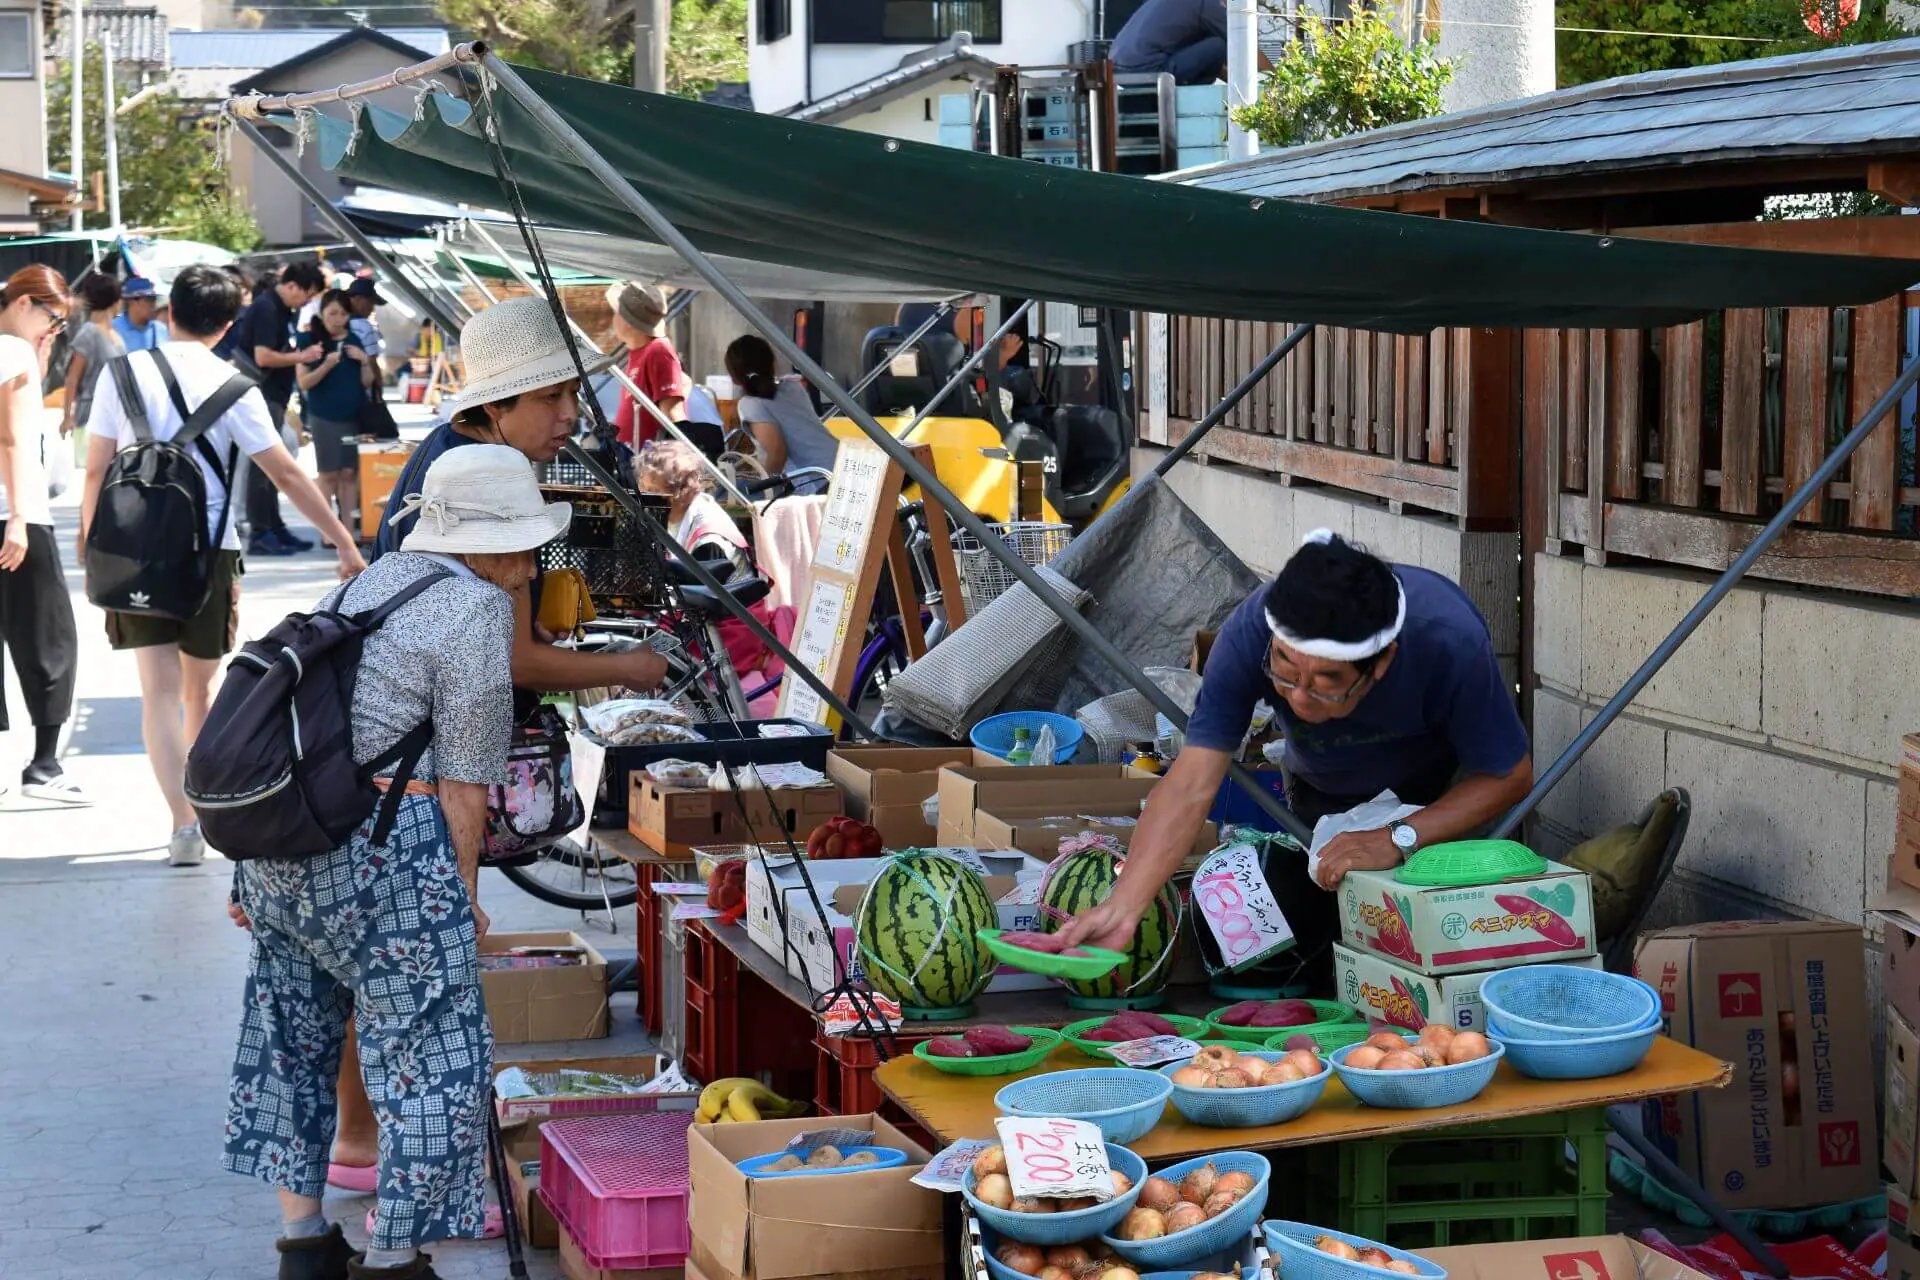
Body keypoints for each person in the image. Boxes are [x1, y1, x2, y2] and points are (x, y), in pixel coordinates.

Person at [223, 444, 560, 1280]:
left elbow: (302, 724)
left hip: (282, 849)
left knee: (293, 1040)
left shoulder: (366, 582)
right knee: (432, 1054)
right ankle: (394, 1256)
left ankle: (303, 1241)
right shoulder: (474, 609)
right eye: (523, 547)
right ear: (486, 542)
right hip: (384, 850)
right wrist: (463, 894)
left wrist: (245, 872)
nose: (529, 568)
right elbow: (467, 780)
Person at [1056, 530, 1533, 986]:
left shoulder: (1446, 640)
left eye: (1327, 683)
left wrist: (1400, 835)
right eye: (1285, 672)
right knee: (1322, 941)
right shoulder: (1248, 635)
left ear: (1383, 662)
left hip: (1436, 798)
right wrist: (1123, 906)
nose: (1300, 698)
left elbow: (1509, 775)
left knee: (1427, 950)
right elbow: (1189, 785)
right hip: (1321, 790)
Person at [78, 265, 365, 867]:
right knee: (199, 691)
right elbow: (285, 472)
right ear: (229, 322)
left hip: (131, 552)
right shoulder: (233, 386)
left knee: (156, 692)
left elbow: (96, 468)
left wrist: (89, 542)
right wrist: (343, 541)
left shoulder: (120, 373)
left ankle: (181, 827)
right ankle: (207, 812)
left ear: (169, 312)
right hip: (208, 552)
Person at [0, 266, 88, 803]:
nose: (54, 331)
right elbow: (12, 439)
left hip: (14, 509)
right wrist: (20, 514)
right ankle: (44, 763)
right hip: (18, 512)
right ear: (25, 304)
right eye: (53, 319)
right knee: (50, 638)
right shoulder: (12, 351)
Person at [635, 438, 790, 702]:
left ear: (678, 491)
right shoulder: (685, 513)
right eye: (643, 488)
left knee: (645, 654)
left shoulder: (708, 535)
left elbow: (700, 595)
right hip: (711, 624)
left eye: (652, 491)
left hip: (730, 635)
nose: (644, 497)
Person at [230, 261, 328, 556]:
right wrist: (302, 356)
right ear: (292, 286)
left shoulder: (282, 309)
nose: (307, 301)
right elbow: (263, 357)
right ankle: (261, 532)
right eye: (307, 294)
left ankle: (274, 526)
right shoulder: (267, 308)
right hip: (262, 393)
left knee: (274, 463)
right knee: (264, 464)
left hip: (275, 395)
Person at [297, 288, 375, 545]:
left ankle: (348, 530)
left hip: (352, 416)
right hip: (323, 415)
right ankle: (327, 532)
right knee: (328, 474)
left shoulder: (354, 340)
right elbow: (304, 383)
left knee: (349, 473)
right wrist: (327, 364)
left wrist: (364, 361)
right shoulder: (309, 340)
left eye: (342, 313)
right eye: (332, 313)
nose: (337, 319)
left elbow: (367, 382)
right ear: (322, 313)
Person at [725, 334, 837, 493]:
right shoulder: (793, 387)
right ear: (772, 364)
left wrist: (762, 491)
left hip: (819, 478)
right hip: (841, 461)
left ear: (734, 377)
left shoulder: (751, 405)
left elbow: (777, 453)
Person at [1110, 0, 1269, 86]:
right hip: (1148, 70)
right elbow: (1246, 45)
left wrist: (1238, 88)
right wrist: (1278, 82)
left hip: (1120, 70)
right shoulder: (1208, 4)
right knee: (1218, 45)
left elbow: (1209, 63)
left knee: (1212, 49)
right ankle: (1196, 106)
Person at [606, 281, 687, 447]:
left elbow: (674, 415)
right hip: (632, 456)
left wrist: (673, 457)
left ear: (627, 321)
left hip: (648, 459)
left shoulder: (658, 351)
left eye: (616, 312)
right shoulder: (640, 352)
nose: (613, 318)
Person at [61, 274, 128, 440]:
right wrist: (68, 416)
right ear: (115, 301)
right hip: (91, 413)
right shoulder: (89, 332)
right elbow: (73, 378)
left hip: (116, 413)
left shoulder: (117, 336)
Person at [111, 275, 168, 351]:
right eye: (149, 299)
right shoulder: (113, 329)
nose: (153, 304)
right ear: (132, 301)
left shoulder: (161, 329)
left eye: (154, 299)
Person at [345, 276, 386, 363]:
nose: (372, 308)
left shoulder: (338, 322)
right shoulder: (364, 326)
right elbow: (372, 362)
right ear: (358, 299)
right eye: (370, 303)